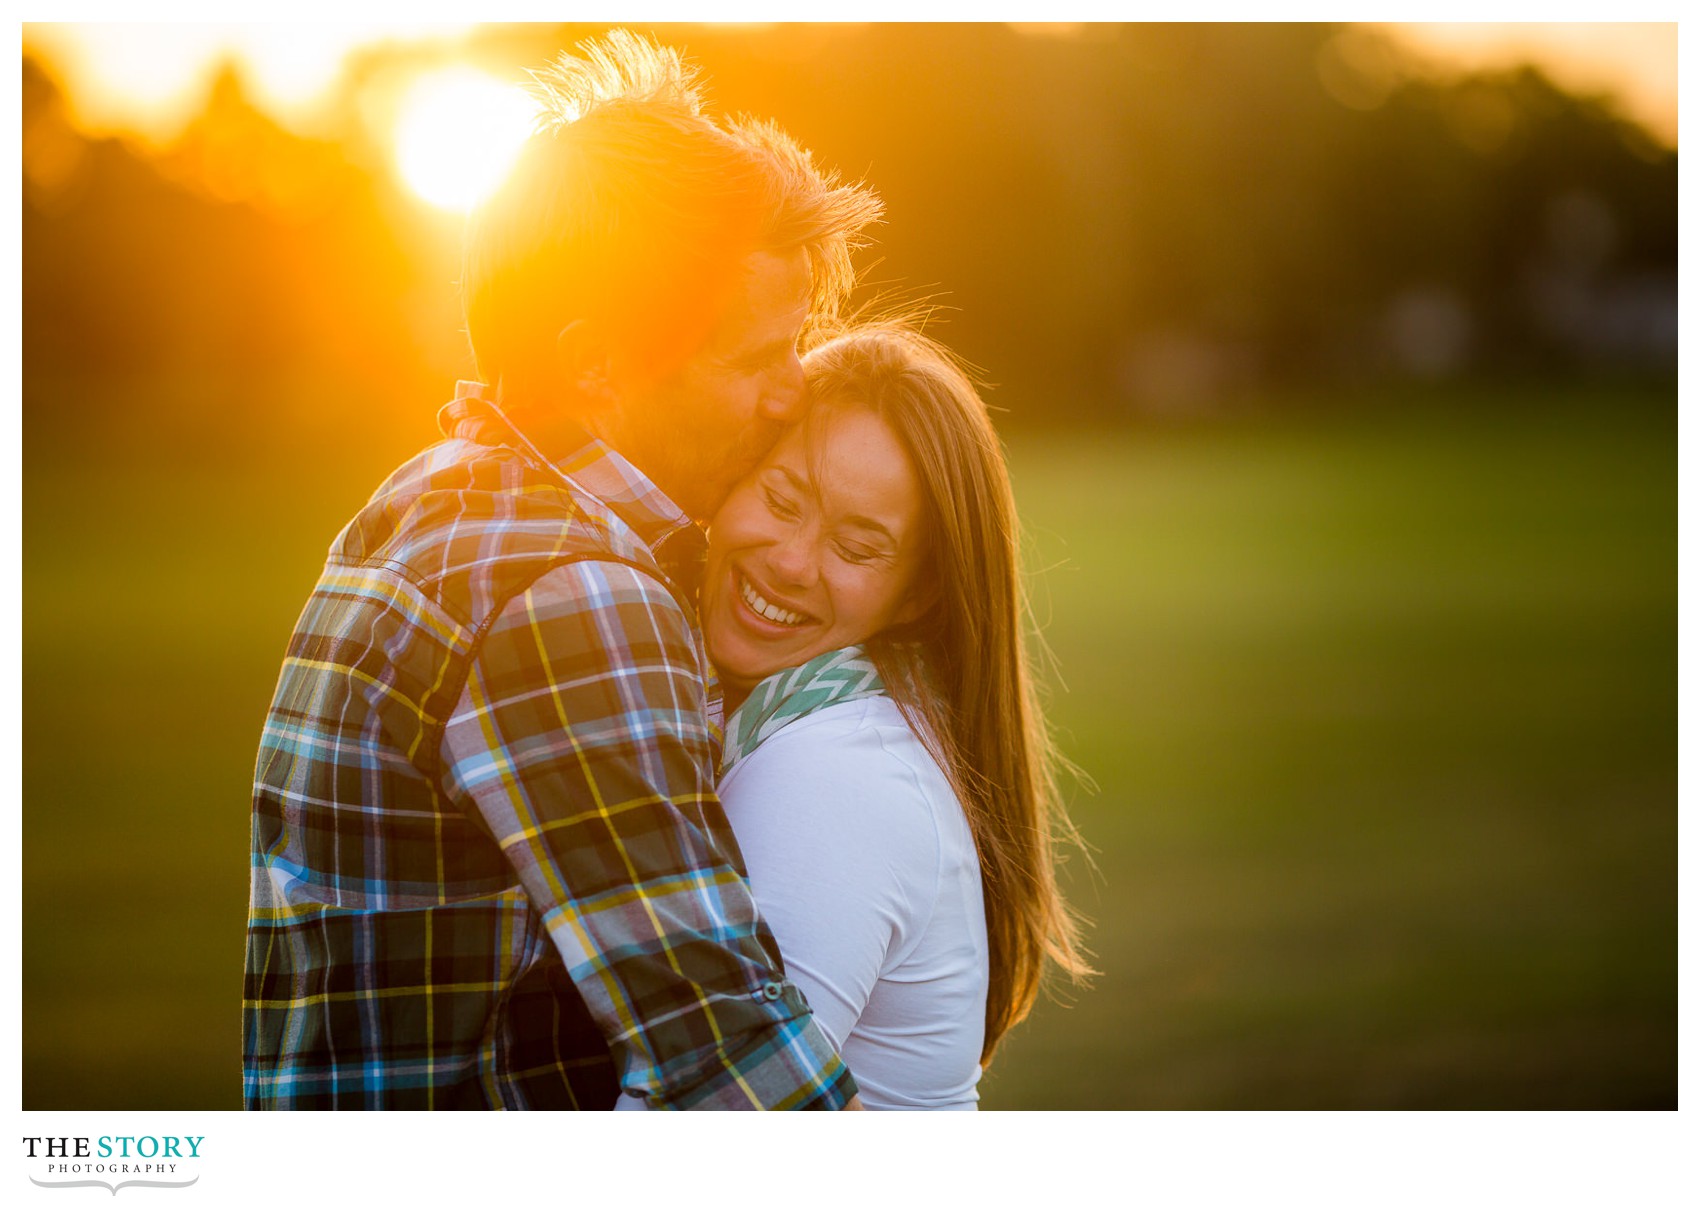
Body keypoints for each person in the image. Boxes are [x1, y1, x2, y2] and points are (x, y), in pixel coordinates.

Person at [243, 30, 881, 1110]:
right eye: (757, 360)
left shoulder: (426, 501)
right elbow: (718, 1052)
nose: (791, 395)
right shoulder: (568, 593)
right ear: (597, 367)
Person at [617, 322, 1093, 1110]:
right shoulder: (797, 716)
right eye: (781, 499)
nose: (792, 562)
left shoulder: (833, 775)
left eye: (858, 546)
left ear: (917, 594)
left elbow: (721, 1115)